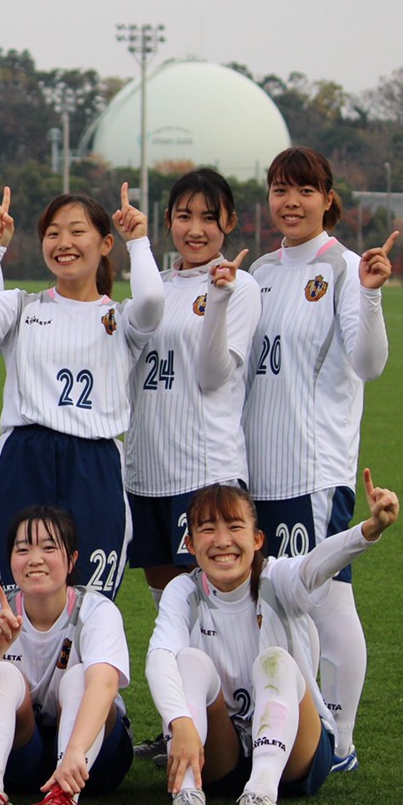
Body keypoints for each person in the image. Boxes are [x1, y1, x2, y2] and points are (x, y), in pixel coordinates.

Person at [242, 146, 399, 769]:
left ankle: (341, 739)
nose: (291, 202)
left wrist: (372, 295)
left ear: (327, 197)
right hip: (258, 468)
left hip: (313, 468)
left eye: (304, 190)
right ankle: (290, 720)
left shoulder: (346, 267)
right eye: (280, 189)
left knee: (327, 602)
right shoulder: (260, 270)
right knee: (273, 602)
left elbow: (369, 365)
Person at [146, 473, 399, 805]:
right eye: (207, 529)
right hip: (223, 757)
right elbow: (158, 656)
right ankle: (187, 794)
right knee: (184, 661)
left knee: (276, 660)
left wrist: (369, 530)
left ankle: (261, 793)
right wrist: (179, 720)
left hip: (298, 757)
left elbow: (317, 563)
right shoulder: (182, 591)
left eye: (235, 527)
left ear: (257, 538)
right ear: (188, 542)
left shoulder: (277, 579)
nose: (222, 542)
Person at [0, 185, 164, 600]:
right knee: (21, 595)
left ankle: (90, 668)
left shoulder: (122, 319)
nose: (63, 243)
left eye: (77, 231)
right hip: (25, 458)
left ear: (104, 243)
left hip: (95, 463)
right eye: (53, 232)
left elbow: (153, 298)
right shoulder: (21, 306)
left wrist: (138, 241)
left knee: (92, 600)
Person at [123, 170, 259, 766]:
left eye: (209, 217)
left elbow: (211, 376)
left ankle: (239, 725)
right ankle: (184, 723)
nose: (196, 229)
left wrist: (222, 298)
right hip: (147, 467)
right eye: (184, 216)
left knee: (214, 606)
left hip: (204, 473)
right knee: (169, 610)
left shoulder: (240, 285)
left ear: (229, 222)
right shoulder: (153, 285)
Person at [0, 506, 132, 805]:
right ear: (10, 561)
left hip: (94, 762)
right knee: (2, 673)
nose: (35, 559)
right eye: (23, 549)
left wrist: (75, 751)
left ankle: (64, 796)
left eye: (49, 547)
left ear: (72, 559)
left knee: (80, 677)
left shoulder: (97, 609)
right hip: (22, 760)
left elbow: (105, 685)